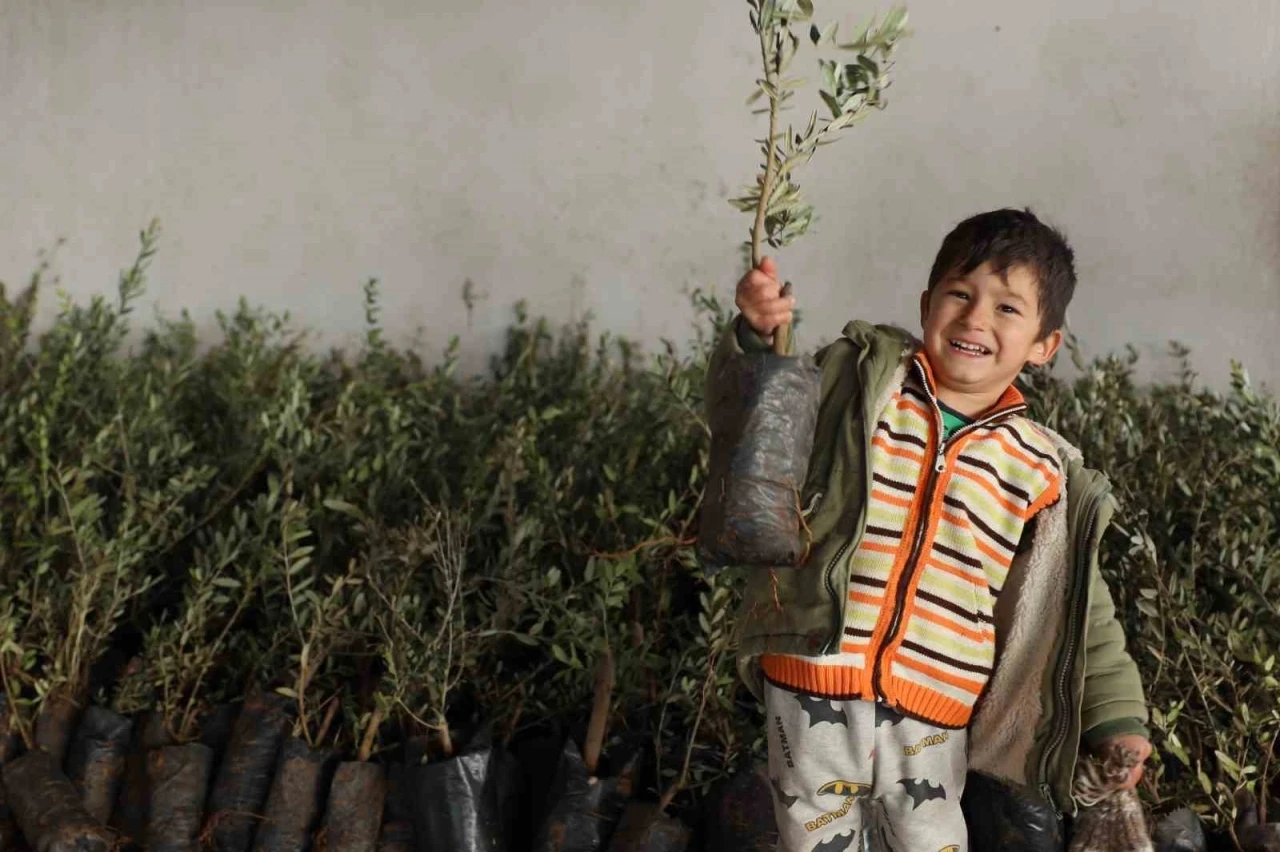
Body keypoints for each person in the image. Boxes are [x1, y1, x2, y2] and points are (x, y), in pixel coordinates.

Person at [710, 209, 1150, 851]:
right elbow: (758, 422)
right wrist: (758, 336)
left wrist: (1118, 715)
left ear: (1043, 345)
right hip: (813, 676)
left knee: (929, 838)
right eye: (960, 294)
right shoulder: (862, 388)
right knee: (814, 840)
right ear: (926, 304)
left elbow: (1081, 606)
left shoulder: (1039, 468)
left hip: (937, 705)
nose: (976, 319)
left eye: (1007, 308)